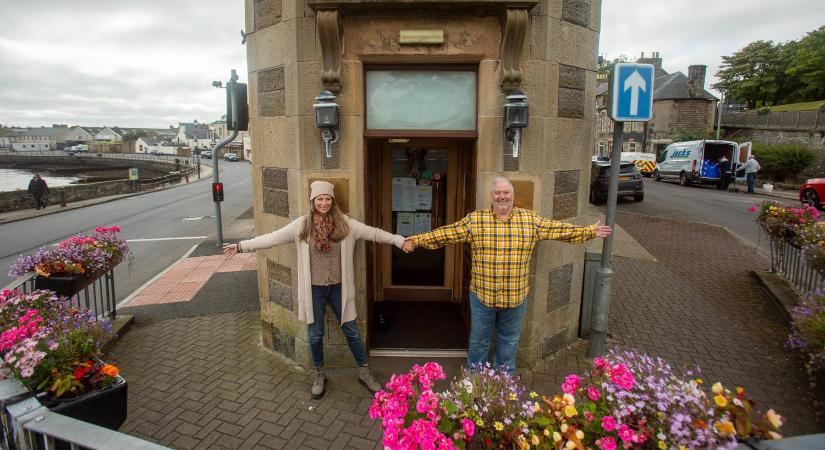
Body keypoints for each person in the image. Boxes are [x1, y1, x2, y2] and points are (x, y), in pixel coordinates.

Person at [402, 177, 612, 374]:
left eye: (506, 192)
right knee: (478, 342)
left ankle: (503, 384)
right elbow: (446, 234)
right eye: (497, 193)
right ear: (491, 196)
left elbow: (558, 229)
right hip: (483, 297)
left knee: (509, 342)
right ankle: (475, 380)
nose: (502, 196)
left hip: (515, 298)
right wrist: (417, 240)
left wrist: (589, 232)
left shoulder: (530, 220)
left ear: (512, 195)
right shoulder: (475, 220)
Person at [222, 181, 409, 399]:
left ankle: (364, 371)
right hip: (314, 290)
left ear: (333, 201)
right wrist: (240, 246)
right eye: (319, 199)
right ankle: (319, 373)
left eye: (327, 198)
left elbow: (374, 233)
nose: (323, 202)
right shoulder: (302, 225)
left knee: (351, 330)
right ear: (313, 201)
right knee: (315, 334)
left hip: (339, 287)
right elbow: (272, 238)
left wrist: (399, 240)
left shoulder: (346, 225)